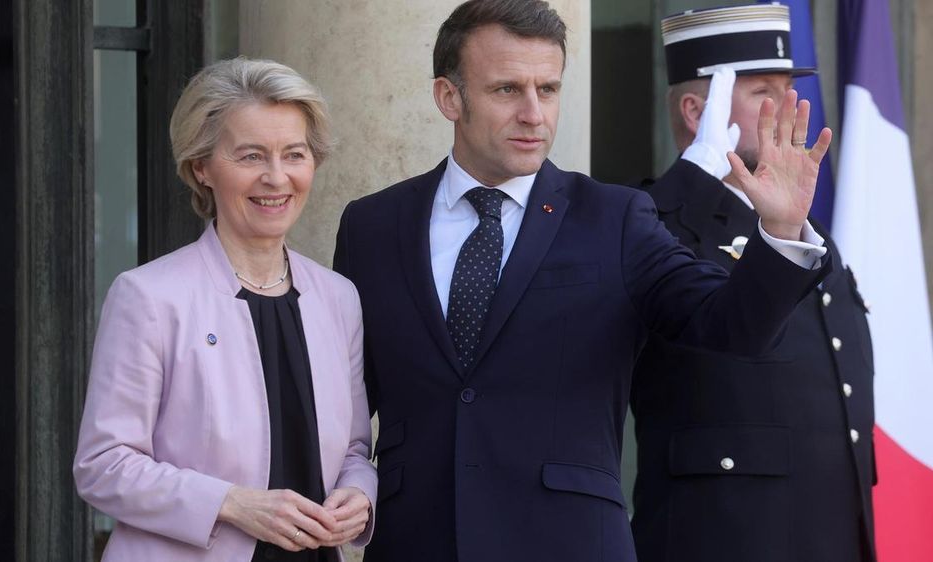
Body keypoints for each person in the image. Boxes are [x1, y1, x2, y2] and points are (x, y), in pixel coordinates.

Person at [333, 1, 832, 560]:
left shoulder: (615, 218)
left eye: (547, 90)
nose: (533, 114)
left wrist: (781, 230)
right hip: (415, 543)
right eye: (506, 90)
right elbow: (337, 403)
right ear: (449, 97)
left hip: (568, 542)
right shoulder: (372, 226)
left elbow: (729, 327)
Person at [74, 58, 377, 562]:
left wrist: (360, 492)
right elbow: (102, 465)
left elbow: (352, 449)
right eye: (251, 156)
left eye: (294, 154)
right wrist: (230, 504)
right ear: (201, 166)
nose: (276, 178)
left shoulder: (338, 297)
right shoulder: (149, 296)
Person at [630, 5, 876, 562]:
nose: (788, 107)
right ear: (699, 112)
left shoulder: (807, 232)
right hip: (720, 540)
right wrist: (697, 174)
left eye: (790, 87)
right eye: (764, 90)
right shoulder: (651, 220)